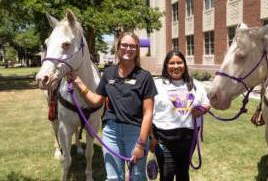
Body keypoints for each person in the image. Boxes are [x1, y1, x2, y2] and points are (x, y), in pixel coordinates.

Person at [67, 32, 157, 181]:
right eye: (125, 45)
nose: (128, 49)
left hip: (135, 132)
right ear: (118, 48)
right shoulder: (109, 73)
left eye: (132, 46)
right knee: (114, 177)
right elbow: (96, 100)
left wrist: (141, 144)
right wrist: (77, 81)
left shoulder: (144, 76)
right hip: (111, 132)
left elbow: (148, 113)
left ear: (137, 50)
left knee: (137, 176)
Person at [151, 49, 210, 181]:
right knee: (167, 174)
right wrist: (151, 137)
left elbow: (207, 103)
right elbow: (147, 112)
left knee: (183, 173)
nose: (176, 66)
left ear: (185, 64)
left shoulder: (196, 85)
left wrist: (202, 109)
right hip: (163, 139)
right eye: (172, 63)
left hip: (189, 139)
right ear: (166, 66)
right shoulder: (156, 85)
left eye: (179, 62)